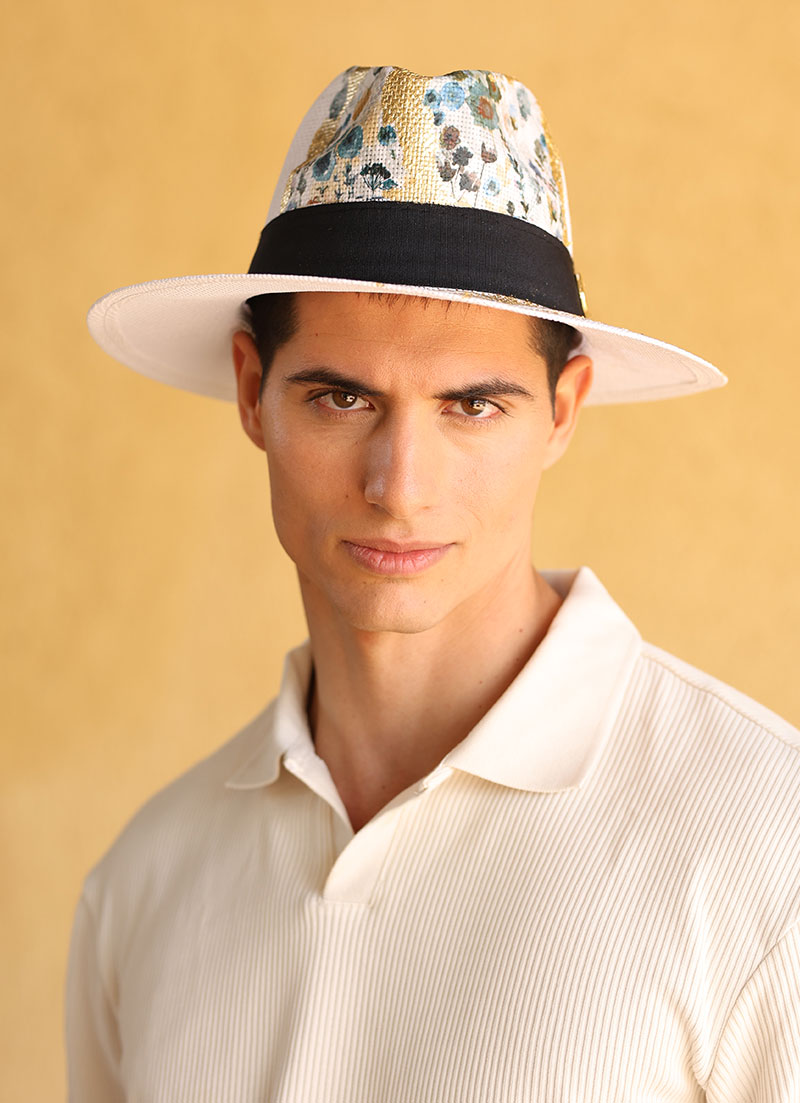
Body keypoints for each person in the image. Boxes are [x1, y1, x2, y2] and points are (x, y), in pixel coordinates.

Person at [68, 65, 800, 1102]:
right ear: (252, 390)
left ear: (563, 410)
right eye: (341, 398)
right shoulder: (146, 883)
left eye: (472, 405)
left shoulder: (769, 850)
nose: (399, 486)